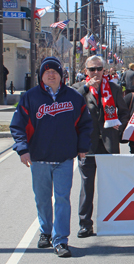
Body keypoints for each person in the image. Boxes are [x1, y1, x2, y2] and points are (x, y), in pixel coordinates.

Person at [10, 57, 93, 257]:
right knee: (42, 199)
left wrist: (82, 146)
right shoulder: (30, 97)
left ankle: (61, 240)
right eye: (46, 71)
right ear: (41, 75)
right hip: (39, 159)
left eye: (54, 71)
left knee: (63, 199)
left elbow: (85, 124)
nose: (51, 74)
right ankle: (45, 232)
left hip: (64, 159)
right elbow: (17, 125)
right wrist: (23, 149)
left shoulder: (74, 97)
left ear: (61, 75)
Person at [72, 56, 129, 239]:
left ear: (104, 70)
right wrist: (88, 88)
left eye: (99, 69)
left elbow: (124, 111)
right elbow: (72, 106)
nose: (96, 73)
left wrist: (120, 124)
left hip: (108, 144)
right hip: (87, 146)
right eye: (92, 69)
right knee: (87, 186)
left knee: (110, 186)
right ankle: (85, 224)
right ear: (86, 71)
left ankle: (111, 222)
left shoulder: (112, 88)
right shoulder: (78, 89)